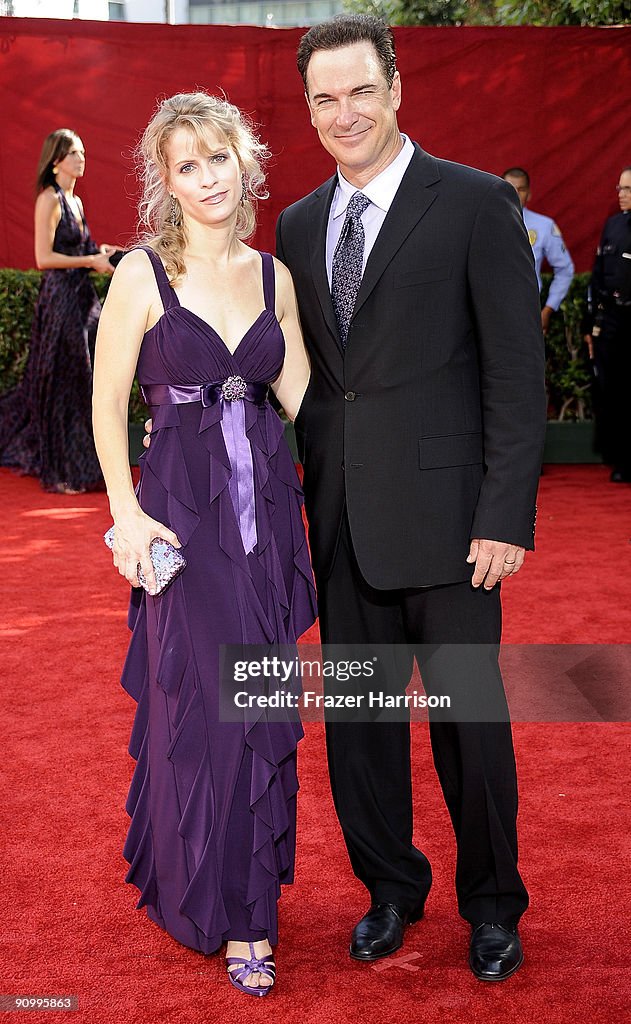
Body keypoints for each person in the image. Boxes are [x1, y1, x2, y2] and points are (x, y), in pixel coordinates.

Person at [275, 16, 546, 981]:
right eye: (324, 98)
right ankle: (390, 889)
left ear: (395, 88)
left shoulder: (474, 203)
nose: (343, 113)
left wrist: (503, 518)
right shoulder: (298, 224)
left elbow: (517, 372)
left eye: (359, 91)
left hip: (453, 525)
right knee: (359, 728)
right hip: (340, 520)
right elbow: (306, 377)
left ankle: (492, 906)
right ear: (307, 110)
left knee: (471, 729)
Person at [92, 92, 316, 997]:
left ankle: (245, 908)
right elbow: (108, 405)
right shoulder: (142, 275)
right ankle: (222, 910)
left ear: (246, 163)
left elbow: (310, 407)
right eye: (187, 165)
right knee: (212, 714)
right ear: (166, 181)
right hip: (181, 525)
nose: (207, 176)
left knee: (259, 711)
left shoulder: (275, 280)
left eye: (218, 157)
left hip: (266, 525)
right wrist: (126, 515)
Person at [0, 128, 114, 493]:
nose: (82, 158)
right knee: (65, 382)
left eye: (82, 151)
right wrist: (89, 260)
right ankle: (63, 471)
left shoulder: (75, 201)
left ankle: (80, 467)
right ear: (56, 162)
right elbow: (43, 257)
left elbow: (81, 248)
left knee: (83, 382)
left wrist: (102, 254)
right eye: (75, 153)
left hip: (81, 299)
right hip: (61, 299)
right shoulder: (49, 199)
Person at [585, 166, 631, 483]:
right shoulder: (613, 225)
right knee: (614, 390)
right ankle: (621, 458)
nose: (622, 195)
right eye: (620, 188)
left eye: (627, 189)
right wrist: (592, 324)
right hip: (614, 322)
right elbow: (599, 273)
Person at [502, 166, 574, 335]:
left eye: (521, 189)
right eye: (509, 188)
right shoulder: (482, 223)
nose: (515, 194)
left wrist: (548, 309)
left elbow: (565, 269)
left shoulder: (544, 226)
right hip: (488, 309)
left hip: (527, 310)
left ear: (529, 194)